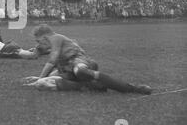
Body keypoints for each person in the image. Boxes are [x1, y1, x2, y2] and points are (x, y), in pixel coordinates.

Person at [22, 24, 152, 94]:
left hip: (79, 62)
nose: (38, 44)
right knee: (41, 85)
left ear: (45, 37)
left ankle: (133, 88)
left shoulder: (55, 38)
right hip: (68, 69)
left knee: (80, 72)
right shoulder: (48, 44)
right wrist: (38, 78)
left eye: (38, 41)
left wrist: (41, 77)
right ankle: (91, 86)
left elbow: (52, 61)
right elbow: (33, 55)